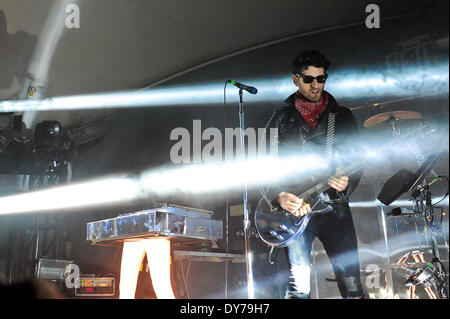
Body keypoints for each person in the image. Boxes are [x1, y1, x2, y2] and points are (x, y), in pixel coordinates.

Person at [263, 50, 365, 299]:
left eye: (321, 79)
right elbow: (265, 165)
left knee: (352, 284)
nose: (316, 85)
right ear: (295, 80)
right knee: (299, 288)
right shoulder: (279, 118)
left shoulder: (342, 116)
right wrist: (279, 195)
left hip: (335, 209)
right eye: (309, 79)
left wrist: (346, 182)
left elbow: (358, 158)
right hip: (297, 211)